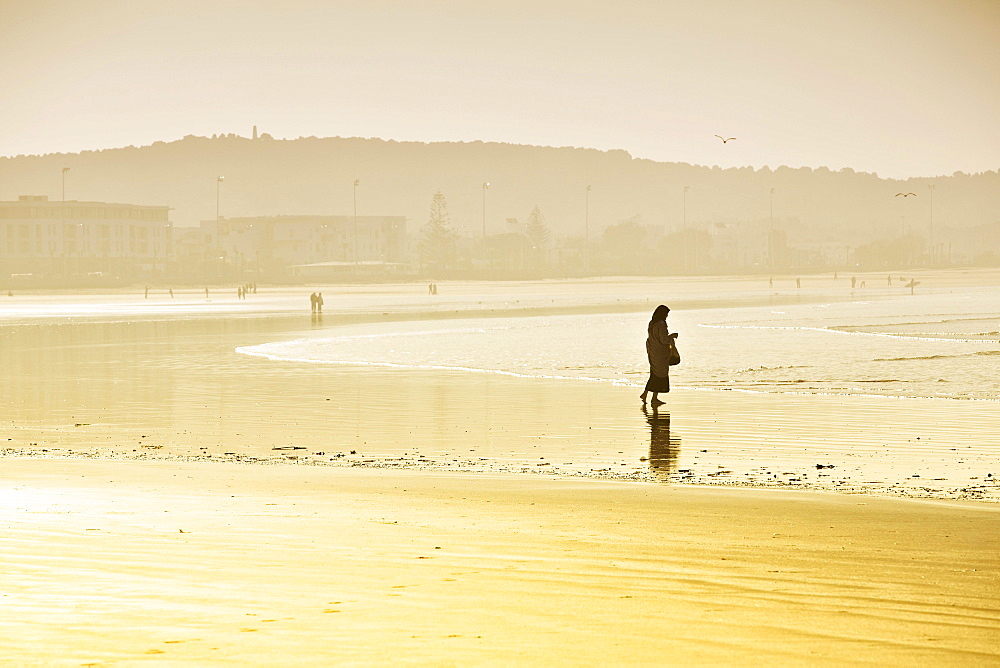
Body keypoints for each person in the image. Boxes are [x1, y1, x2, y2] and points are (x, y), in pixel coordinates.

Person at [639, 305, 677, 407]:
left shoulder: (652, 323)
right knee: (660, 374)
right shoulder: (661, 324)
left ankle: (646, 394)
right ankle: (653, 398)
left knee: (654, 373)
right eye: (666, 314)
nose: (667, 316)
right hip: (660, 352)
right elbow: (664, 339)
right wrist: (672, 337)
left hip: (652, 351)